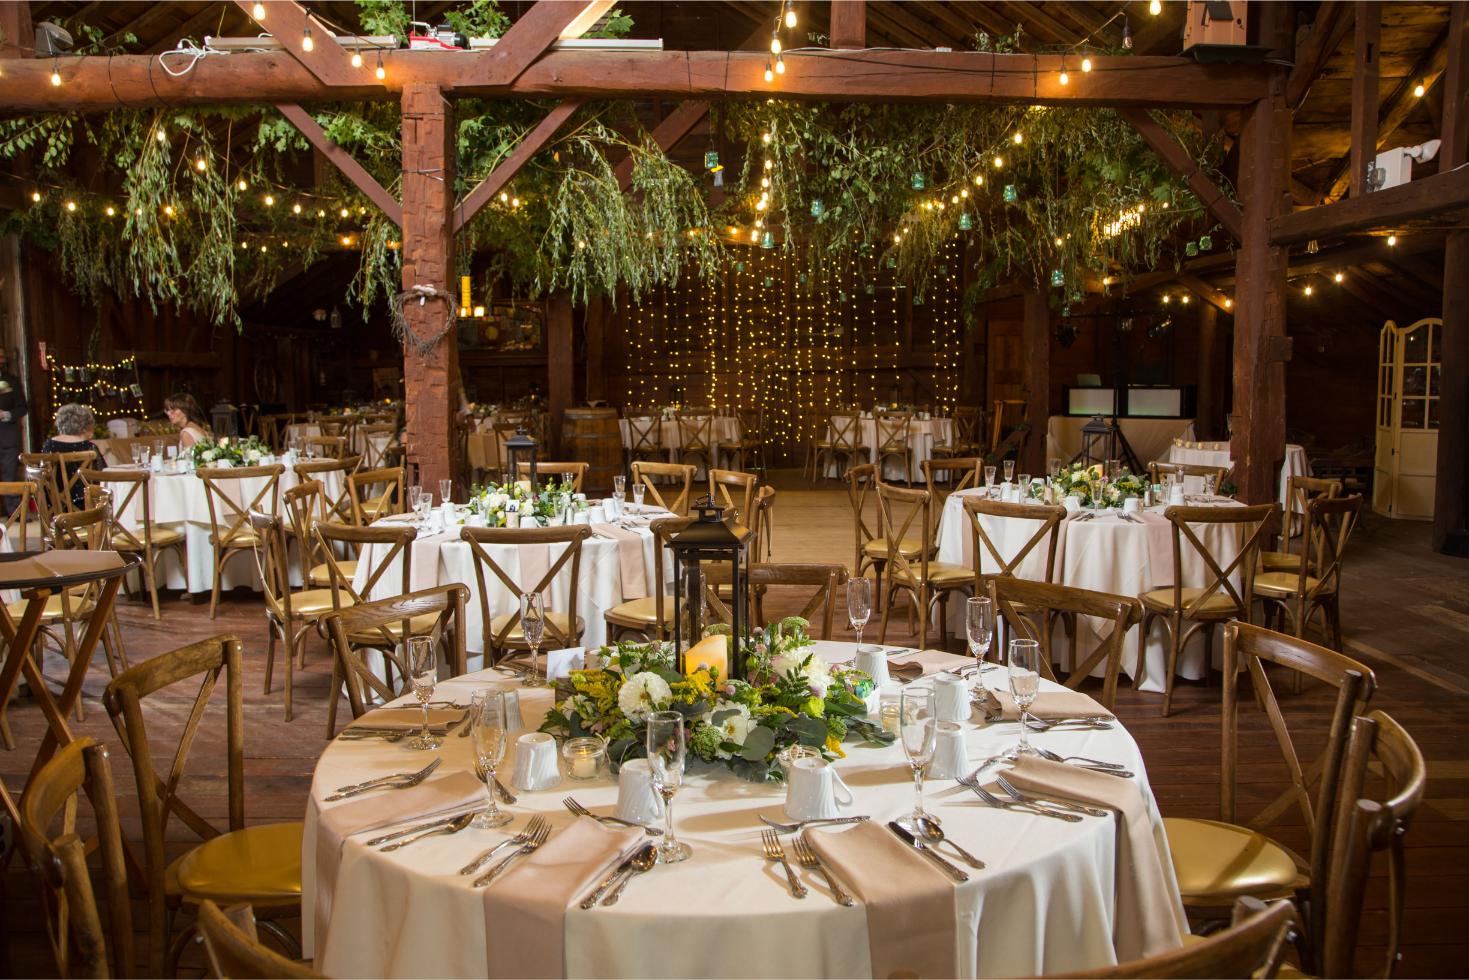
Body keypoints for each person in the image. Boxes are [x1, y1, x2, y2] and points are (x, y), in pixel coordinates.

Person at [41, 403, 106, 510]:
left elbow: (43, 477)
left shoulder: (48, 445)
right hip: (85, 504)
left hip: (54, 505)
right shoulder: (89, 447)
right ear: (84, 425)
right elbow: (101, 476)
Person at [0, 348, 28, 506]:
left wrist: (5, 414)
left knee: (9, 475)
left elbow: (22, 408)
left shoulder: (11, 381)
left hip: (7, 437)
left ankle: (15, 513)